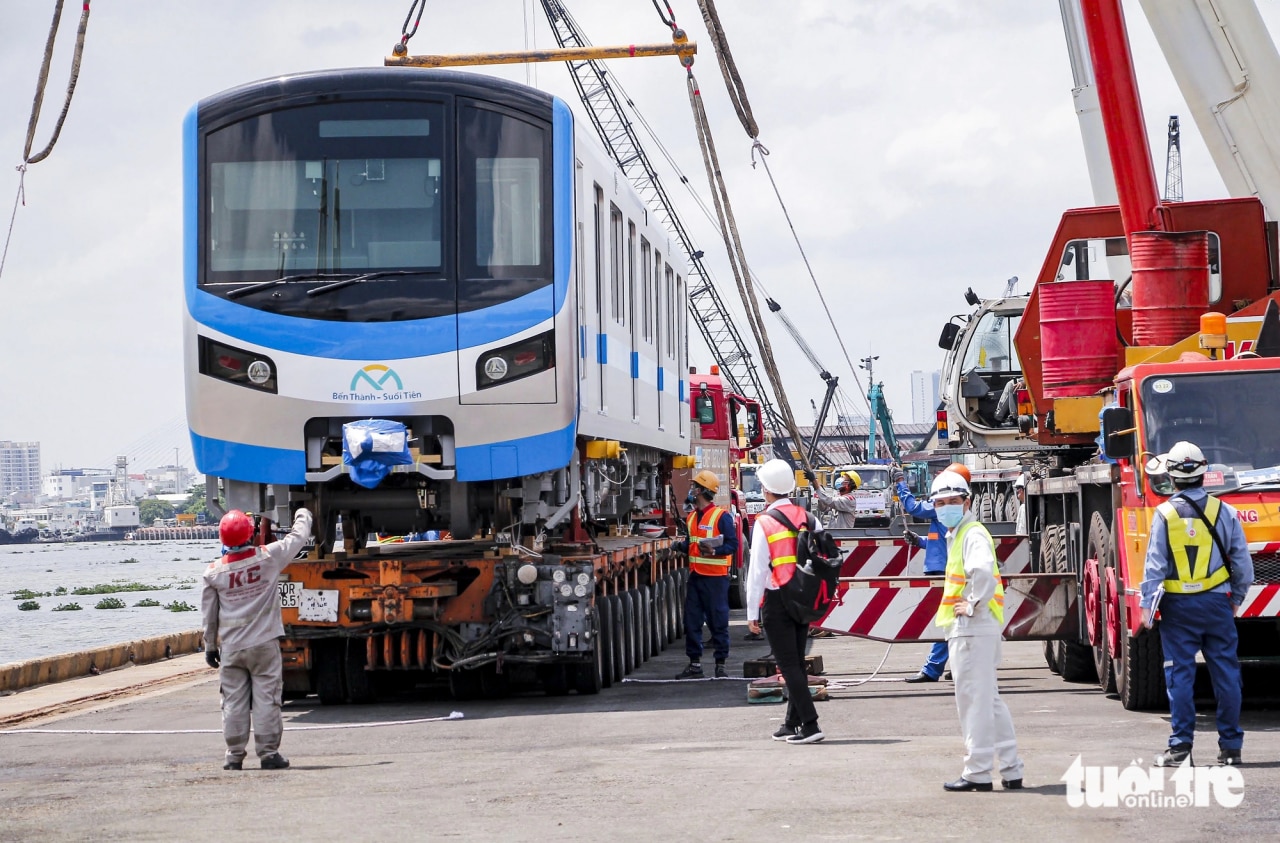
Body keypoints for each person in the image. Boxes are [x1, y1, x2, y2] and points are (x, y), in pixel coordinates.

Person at [1138, 441, 1254, 767]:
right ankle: (1231, 748)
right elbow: (1243, 565)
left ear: (1171, 478)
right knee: (1227, 675)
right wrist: (1238, 599)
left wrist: (1147, 606)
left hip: (1178, 609)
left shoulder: (1164, 514)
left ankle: (1180, 750)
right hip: (1218, 604)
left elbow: (1154, 567)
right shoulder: (1226, 511)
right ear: (1206, 473)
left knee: (1180, 676)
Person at [930, 470, 1024, 792]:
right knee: (990, 701)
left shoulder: (970, 533)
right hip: (978, 629)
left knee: (973, 702)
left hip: (972, 629)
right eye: (940, 502)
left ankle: (978, 773)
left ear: (966, 502)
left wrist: (971, 603)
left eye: (952, 501)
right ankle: (1012, 768)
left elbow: (982, 570)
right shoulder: (962, 533)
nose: (945, 507)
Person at [201, 506, 313, 771]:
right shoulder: (268, 558)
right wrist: (303, 513)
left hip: (231, 648)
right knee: (267, 699)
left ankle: (234, 755)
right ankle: (268, 754)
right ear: (251, 536)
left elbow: (209, 616)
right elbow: (297, 539)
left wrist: (209, 646)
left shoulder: (213, 573)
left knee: (233, 702)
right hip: (264, 644)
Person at [745, 459, 825, 744]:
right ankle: (791, 724)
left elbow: (756, 571)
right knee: (796, 663)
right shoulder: (809, 517)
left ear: (766, 490)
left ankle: (811, 725)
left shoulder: (764, 522)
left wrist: (752, 611)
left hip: (777, 599)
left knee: (788, 664)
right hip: (803, 598)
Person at [898, 463, 969, 684]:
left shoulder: (944, 506)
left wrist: (900, 484)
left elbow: (914, 508)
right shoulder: (957, 517)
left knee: (948, 620)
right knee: (954, 621)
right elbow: (942, 541)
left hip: (946, 571)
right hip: (945, 568)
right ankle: (961, 664)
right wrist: (920, 541)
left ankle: (932, 668)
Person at [672, 470, 738, 679]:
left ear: (701, 490)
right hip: (696, 577)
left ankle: (720, 666)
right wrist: (676, 546)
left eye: (694, 487)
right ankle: (695, 665)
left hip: (716, 579)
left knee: (718, 620)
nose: (691, 490)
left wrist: (715, 551)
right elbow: (691, 544)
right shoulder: (692, 517)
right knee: (691, 621)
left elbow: (733, 545)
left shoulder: (721, 516)